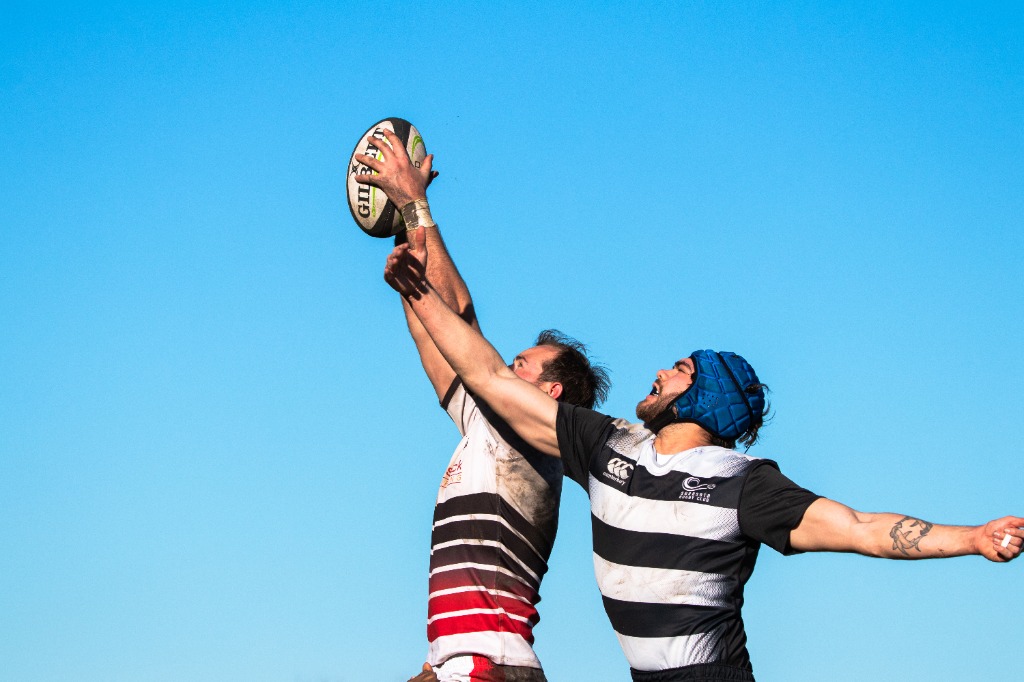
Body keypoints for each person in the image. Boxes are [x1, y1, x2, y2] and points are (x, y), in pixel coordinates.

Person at [382, 226, 1024, 682]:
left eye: (681, 369)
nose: (659, 371)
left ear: (704, 400)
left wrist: (973, 537)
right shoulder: (606, 444)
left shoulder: (745, 486)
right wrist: (416, 291)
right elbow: (490, 379)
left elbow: (861, 528)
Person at [355, 130, 610, 682]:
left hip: (489, 668)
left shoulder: (532, 440)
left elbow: (461, 317)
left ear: (551, 393)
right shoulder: (487, 431)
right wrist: (405, 246)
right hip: (462, 663)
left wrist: (416, 206)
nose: (503, 367)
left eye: (522, 364)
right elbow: (439, 339)